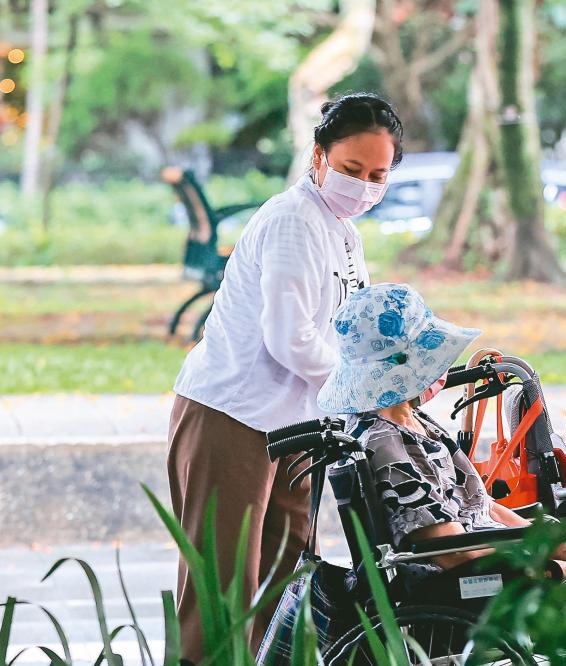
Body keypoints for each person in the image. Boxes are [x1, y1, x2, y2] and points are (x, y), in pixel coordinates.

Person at [167, 93, 403, 660]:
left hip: (298, 424)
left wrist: (406, 370)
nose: (363, 186)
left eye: (377, 175)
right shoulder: (294, 220)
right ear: (318, 156)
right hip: (234, 417)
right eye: (351, 170)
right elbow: (289, 337)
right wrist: (367, 392)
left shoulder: (344, 230)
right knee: (223, 595)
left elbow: (354, 325)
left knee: (280, 587)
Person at [317, 283, 566, 594]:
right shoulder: (386, 444)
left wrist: (558, 546)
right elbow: (452, 553)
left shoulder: (411, 421)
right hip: (469, 581)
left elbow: (483, 505)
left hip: (485, 558)